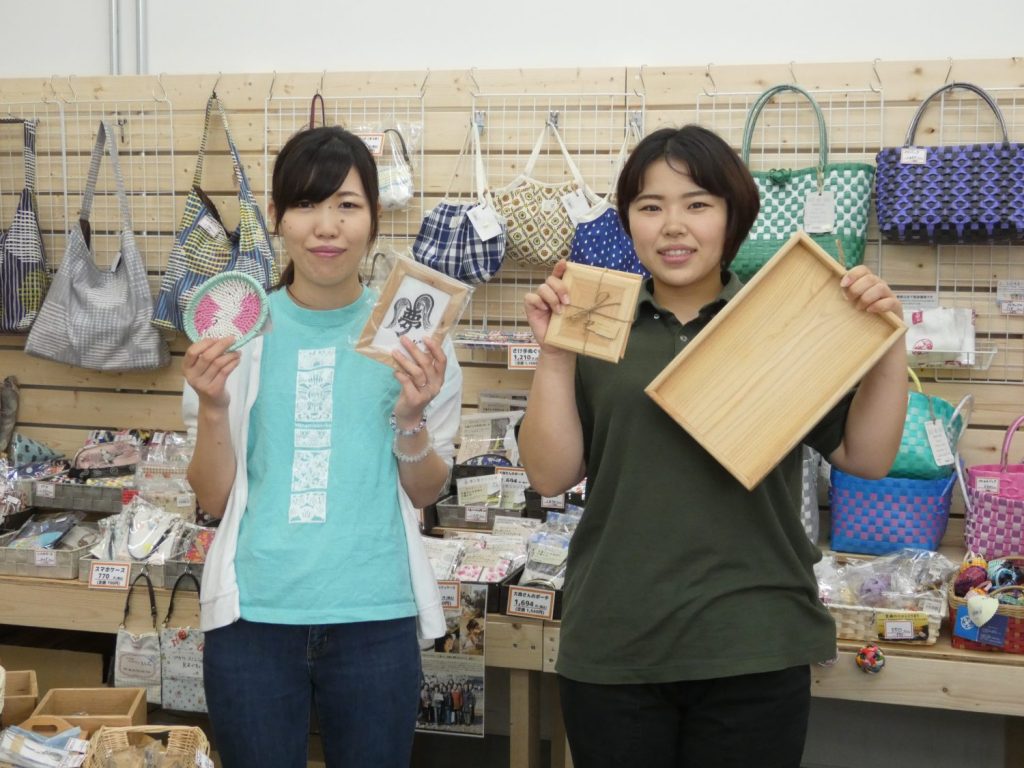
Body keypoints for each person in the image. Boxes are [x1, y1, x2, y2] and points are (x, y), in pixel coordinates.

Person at [519, 125, 907, 768]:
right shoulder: (598, 321)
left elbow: (867, 458)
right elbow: (549, 474)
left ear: (734, 215)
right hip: (615, 643)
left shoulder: (778, 321)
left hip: (755, 642)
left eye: (697, 203)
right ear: (628, 221)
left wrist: (887, 342)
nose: (673, 225)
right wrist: (555, 353)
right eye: (650, 206)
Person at [182, 125, 462, 768]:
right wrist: (214, 406)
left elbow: (426, 490)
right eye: (306, 204)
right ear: (276, 216)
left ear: (374, 216)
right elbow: (213, 497)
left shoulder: (416, 339)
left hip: (375, 616)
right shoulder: (236, 333)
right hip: (253, 618)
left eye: (347, 204)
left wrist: (411, 417)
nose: (327, 227)